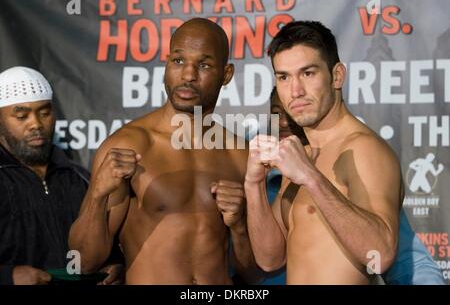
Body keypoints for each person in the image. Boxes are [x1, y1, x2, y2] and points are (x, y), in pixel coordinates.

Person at [68, 18, 256, 284]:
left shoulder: (240, 154)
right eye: (178, 61)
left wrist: (239, 228)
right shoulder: (128, 146)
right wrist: (97, 195)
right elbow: (84, 263)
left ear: (226, 74)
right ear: (166, 63)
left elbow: (253, 273)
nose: (188, 75)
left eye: (203, 65)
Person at [245, 20, 404, 284]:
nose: (295, 91)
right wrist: (253, 184)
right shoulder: (300, 154)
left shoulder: (363, 149)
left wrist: (311, 177)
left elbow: (381, 255)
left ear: (337, 76)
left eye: (308, 73)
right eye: (284, 77)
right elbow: (270, 259)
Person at [259, 88, 445, 285]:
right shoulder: (260, 169)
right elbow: (260, 265)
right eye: (277, 112)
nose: (284, 122)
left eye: (292, 113)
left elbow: (410, 262)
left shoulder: (357, 168)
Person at [0, 66, 122, 285]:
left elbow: (104, 243)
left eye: (44, 113)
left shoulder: (80, 177)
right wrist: (7, 276)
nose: (36, 124)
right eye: (21, 116)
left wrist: (115, 265)